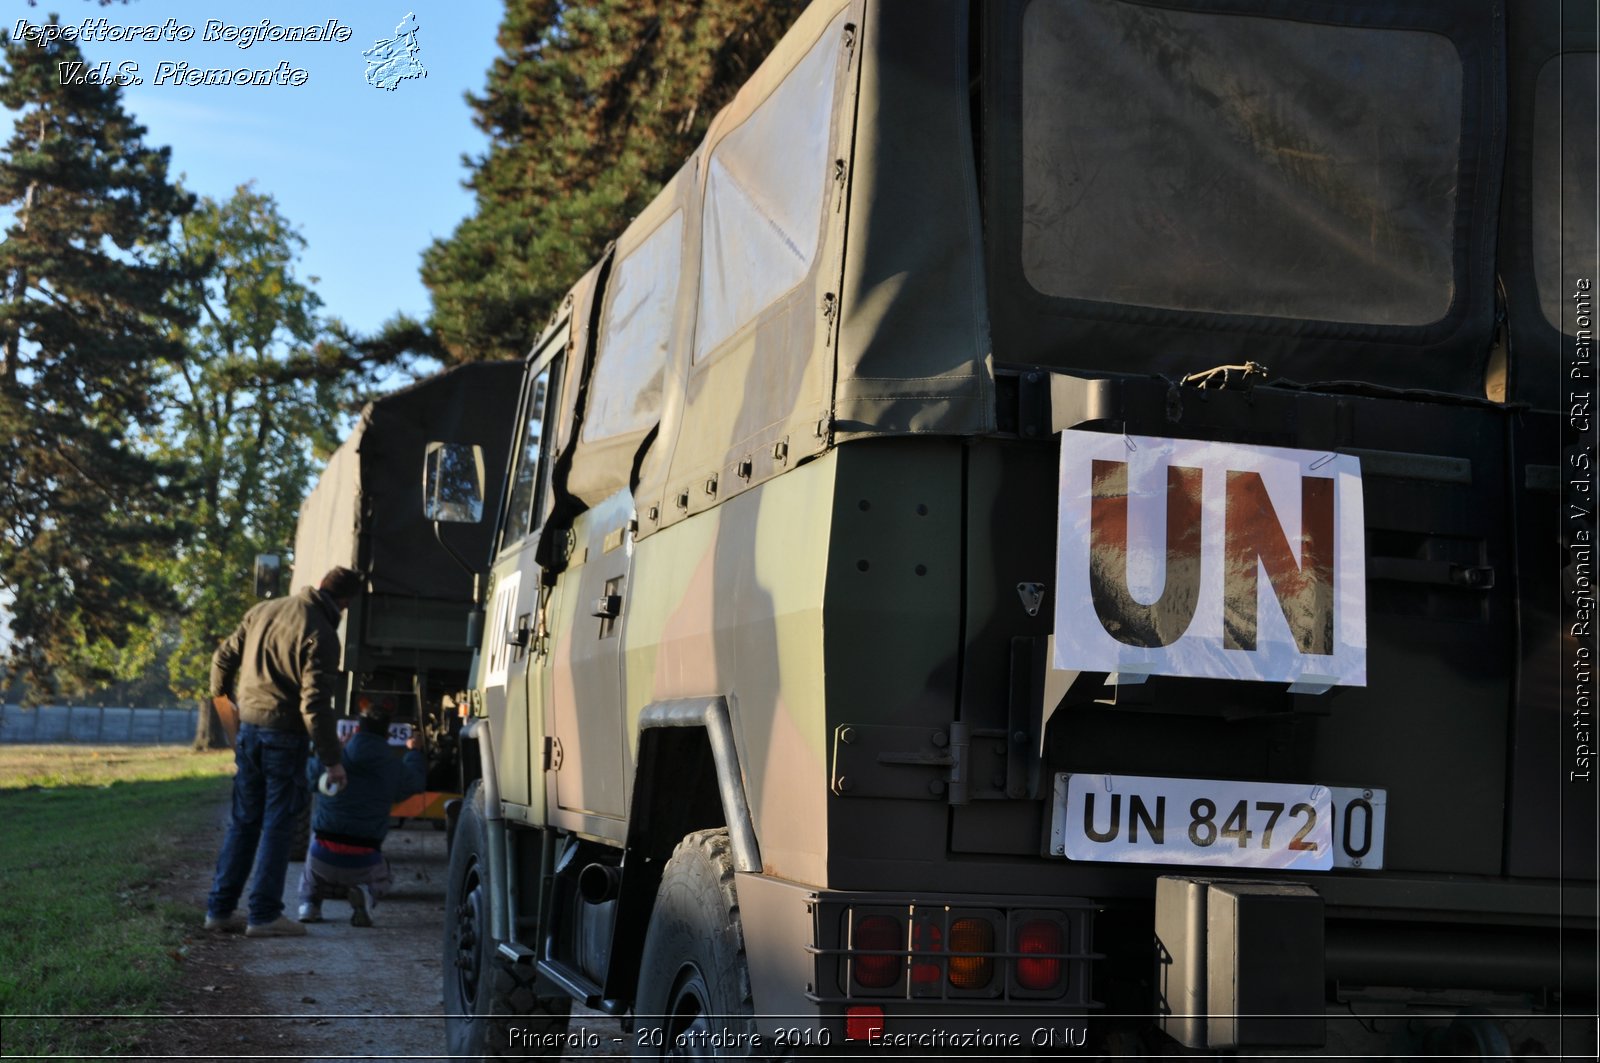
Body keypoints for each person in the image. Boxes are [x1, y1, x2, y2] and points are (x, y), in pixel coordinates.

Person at [204, 566, 364, 937]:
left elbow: (221, 660)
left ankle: (219, 910)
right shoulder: (322, 633)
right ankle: (263, 915)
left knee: (244, 822)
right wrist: (332, 761)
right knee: (278, 825)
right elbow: (314, 705)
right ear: (343, 602)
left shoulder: (263, 611)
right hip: (284, 736)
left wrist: (226, 701)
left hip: (249, 732)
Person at [297, 707, 427, 927]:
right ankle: (368, 893)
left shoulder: (337, 759)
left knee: (312, 867)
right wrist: (414, 752)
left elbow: (308, 778)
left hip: (322, 857)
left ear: (356, 729)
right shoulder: (393, 767)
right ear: (386, 736)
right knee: (383, 873)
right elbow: (415, 783)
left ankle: (309, 904)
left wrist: (330, 751)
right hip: (365, 859)